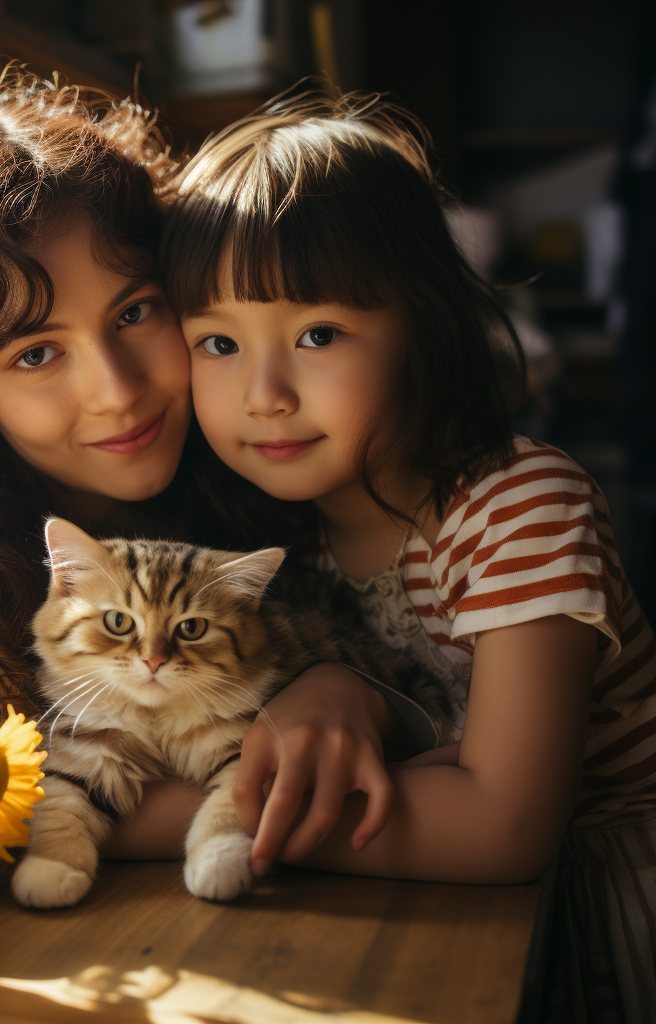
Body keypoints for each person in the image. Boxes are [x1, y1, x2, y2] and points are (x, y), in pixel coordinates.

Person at [0, 69, 427, 864]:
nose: (118, 392)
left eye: (136, 312)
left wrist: (355, 692)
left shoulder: (268, 462)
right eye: (36, 353)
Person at [161, 83, 656, 1023]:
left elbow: (507, 825)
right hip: (428, 909)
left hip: (607, 910)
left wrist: (157, 824)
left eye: (318, 334)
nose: (263, 393)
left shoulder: (520, 506)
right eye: (217, 342)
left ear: (422, 328)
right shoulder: (278, 547)